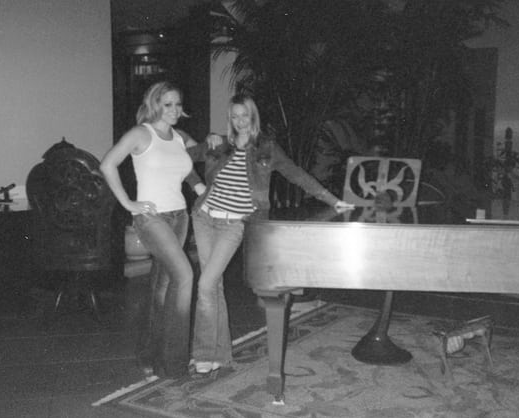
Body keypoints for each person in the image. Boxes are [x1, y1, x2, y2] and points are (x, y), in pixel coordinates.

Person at [187, 94, 354, 374]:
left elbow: (296, 174)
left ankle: (204, 353)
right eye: (235, 116)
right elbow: (179, 158)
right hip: (204, 218)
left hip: (234, 224)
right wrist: (197, 186)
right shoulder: (219, 144)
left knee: (205, 285)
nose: (240, 121)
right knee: (212, 285)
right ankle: (219, 355)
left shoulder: (267, 149)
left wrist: (332, 200)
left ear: (253, 117)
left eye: (245, 115)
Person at [100, 81, 205, 378]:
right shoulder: (140, 133)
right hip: (151, 218)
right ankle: (174, 363)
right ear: (155, 104)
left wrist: (203, 188)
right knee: (185, 276)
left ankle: (150, 354)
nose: (174, 110)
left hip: (179, 217)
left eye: (178, 104)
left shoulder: (180, 137)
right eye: (168, 104)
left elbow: (192, 167)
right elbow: (107, 165)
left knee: (163, 288)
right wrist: (128, 203)